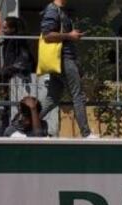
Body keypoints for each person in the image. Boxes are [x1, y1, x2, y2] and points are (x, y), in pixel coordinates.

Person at [40, 0, 95, 138]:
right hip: (63, 59)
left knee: (52, 99)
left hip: (60, 59)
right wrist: (69, 36)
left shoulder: (60, 10)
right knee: (78, 95)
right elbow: (47, 35)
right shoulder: (53, 10)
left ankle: (21, 125)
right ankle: (86, 133)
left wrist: (72, 36)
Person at [0, 17, 36, 122]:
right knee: (5, 105)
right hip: (8, 79)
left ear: (13, 29)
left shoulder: (18, 41)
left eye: (5, 28)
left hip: (16, 79)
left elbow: (24, 59)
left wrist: (8, 70)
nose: (2, 30)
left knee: (14, 105)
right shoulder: (7, 41)